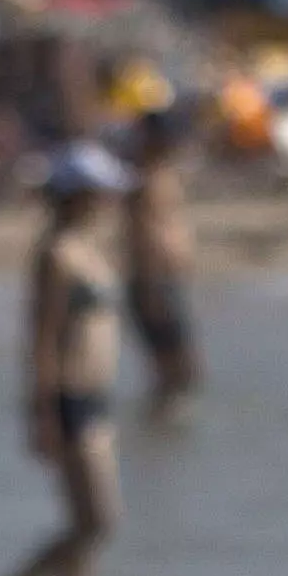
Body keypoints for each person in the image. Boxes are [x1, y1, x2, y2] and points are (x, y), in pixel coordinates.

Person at [0, 145, 128, 576]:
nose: (110, 201)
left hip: (98, 396)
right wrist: (42, 413)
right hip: (68, 398)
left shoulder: (90, 249)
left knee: (84, 523)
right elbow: (41, 339)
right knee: (98, 522)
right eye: (101, 193)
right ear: (77, 196)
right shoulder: (55, 255)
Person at [118, 116, 203, 422]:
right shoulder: (143, 181)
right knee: (175, 365)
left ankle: (165, 431)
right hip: (152, 279)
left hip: (166, 277)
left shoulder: (163, 174)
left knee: (181, 366)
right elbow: (141, 235)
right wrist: (150, 285)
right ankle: (161, 423)